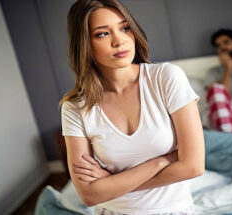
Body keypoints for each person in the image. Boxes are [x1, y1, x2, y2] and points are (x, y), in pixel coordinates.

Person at [60, 0, 204, 214]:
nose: (119, 41)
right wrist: (163, 161)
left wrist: (113, 184)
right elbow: (90, 195)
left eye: (124, 28)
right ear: (85, 44)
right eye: (102, 34)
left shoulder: (166, 77)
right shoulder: (75, 107)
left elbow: (193, 166)